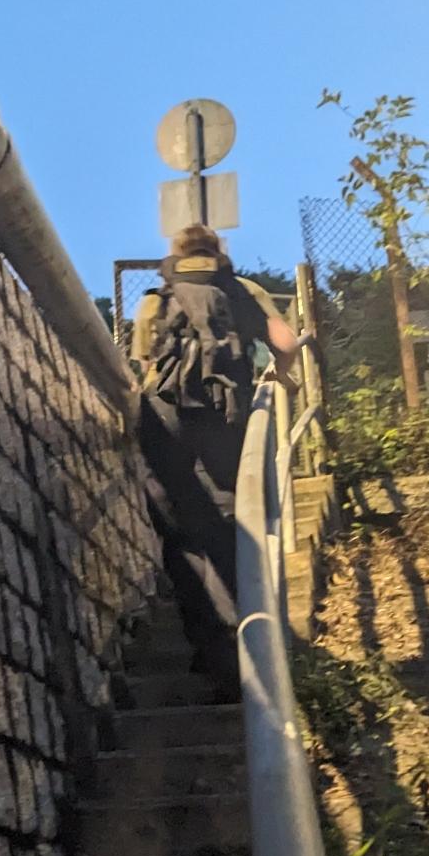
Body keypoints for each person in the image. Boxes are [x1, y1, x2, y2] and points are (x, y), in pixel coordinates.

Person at [131, 224, 299, 692]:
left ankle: (212, 654)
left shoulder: (156, 298)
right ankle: (255, 644)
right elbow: (285, 343)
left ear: (176, 255)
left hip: (164, 424)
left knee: (183, 538)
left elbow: (144, 368)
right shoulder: (241, 290)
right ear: (217, 253)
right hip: (227, 416)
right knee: (233, 525)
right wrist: (277, 379)